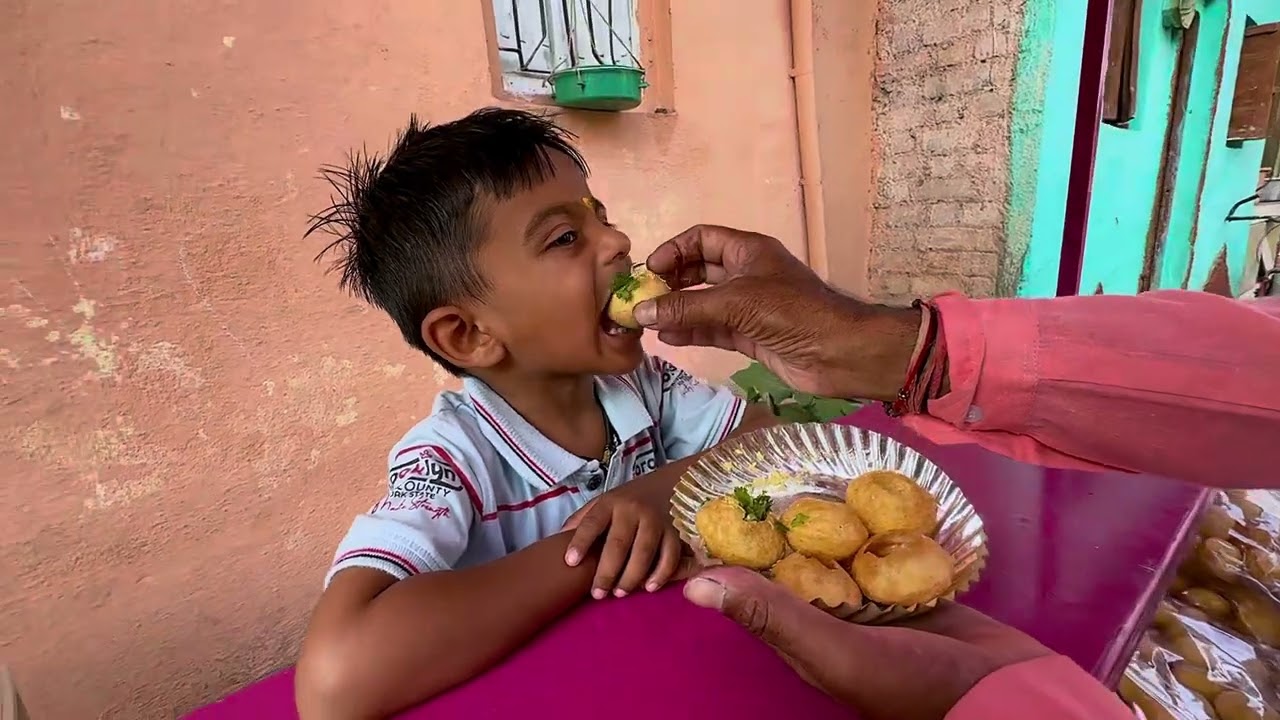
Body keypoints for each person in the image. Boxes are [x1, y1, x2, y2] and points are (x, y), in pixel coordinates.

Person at [629, 224, 1280, 720]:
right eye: (566, 236)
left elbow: (752, 440)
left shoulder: (664, 390)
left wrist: (991, 693)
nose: (619, 244)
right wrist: (911, 353)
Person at [293, 112, 774, 720]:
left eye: (601, 217)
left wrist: (659, 496)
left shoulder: (644, 385)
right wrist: (594, 547)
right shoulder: (449, 459)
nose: (619, 243)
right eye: (564, 239)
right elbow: (334, 682)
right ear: (468, 335)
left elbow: (767, 438)